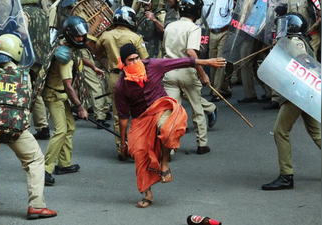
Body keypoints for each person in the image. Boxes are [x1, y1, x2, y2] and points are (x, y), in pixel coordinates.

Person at [115, 43, 226, 207]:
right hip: (140, 118)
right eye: (130, 60)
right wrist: (123, 143)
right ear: (123, 63)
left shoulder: (153, 65)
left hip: (161, 107)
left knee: (169, 129)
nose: (135, 62)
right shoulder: (121, 86)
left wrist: (207, 62)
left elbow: (182, 62)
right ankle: (148, 194)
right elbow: (123, 117)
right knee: (139, 153)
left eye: (137, 58)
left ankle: (164, 163)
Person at [0, 34, 57, 219]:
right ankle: (37, 206)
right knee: (34, 160)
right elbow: (29, 102)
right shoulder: (25, 74)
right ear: (17, 51)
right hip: (15, 129)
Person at [261, 13, 321, 190]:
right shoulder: (299, 39)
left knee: (280, 131)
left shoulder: (294, 41)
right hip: (304, 92)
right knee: (317, 134)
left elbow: (302, 60)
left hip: (296, 92)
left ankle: (286, 176)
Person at [163, 0, 218, 154]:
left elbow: (165, 50)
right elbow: (191, 53)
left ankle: (170, 147)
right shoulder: (194, 28)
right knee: (197, 109)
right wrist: (203, 74)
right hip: (186, 71)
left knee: (171, 112)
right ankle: (202, 144)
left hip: (169, 71)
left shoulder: (169, 26)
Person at [96, 6, 149, 161]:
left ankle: (121, 148)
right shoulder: (135, 37)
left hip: (114, 77)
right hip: (134, 78)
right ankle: (136, 147)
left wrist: (108, 62)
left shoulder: (106, 36)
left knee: (119, 114)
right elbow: (145, 59)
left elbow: (98, 52)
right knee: (138, 113)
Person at [42, 16, 89, 186]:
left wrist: (94, 66)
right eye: (78, 36)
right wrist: (80, 107)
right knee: (61, 130)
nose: (81, 39)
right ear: (69, 35)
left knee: (70, 127)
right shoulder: (64, 57)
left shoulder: (67, 45)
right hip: (55, 95)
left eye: (83, 36)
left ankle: (64, 164)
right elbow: (68, 86)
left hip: (61, 94)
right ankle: (45, 169)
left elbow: (79, 58)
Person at [21, 0, 52, 140]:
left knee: (25, 91)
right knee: (36, 91)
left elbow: (21, 35)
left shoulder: (23, 14)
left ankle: (24, 128)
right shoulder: (42, 13)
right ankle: (43, 127)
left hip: (28, 57)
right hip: (42, 57)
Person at [203, 0, 234, 102]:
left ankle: (216, 91)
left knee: (220, 62)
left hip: (224, 31)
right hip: (211, 32)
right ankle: (220, 88)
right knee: (212, 61)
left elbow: (232, 13)